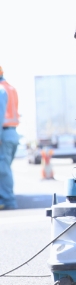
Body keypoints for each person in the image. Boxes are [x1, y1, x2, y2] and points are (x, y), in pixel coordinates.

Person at [0, 66, 20, 210]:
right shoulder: (10, 88)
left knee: (3, 169)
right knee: (4, 167)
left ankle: (8, 201)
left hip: (4, 133)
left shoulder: (1, 90)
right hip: (12, 132)